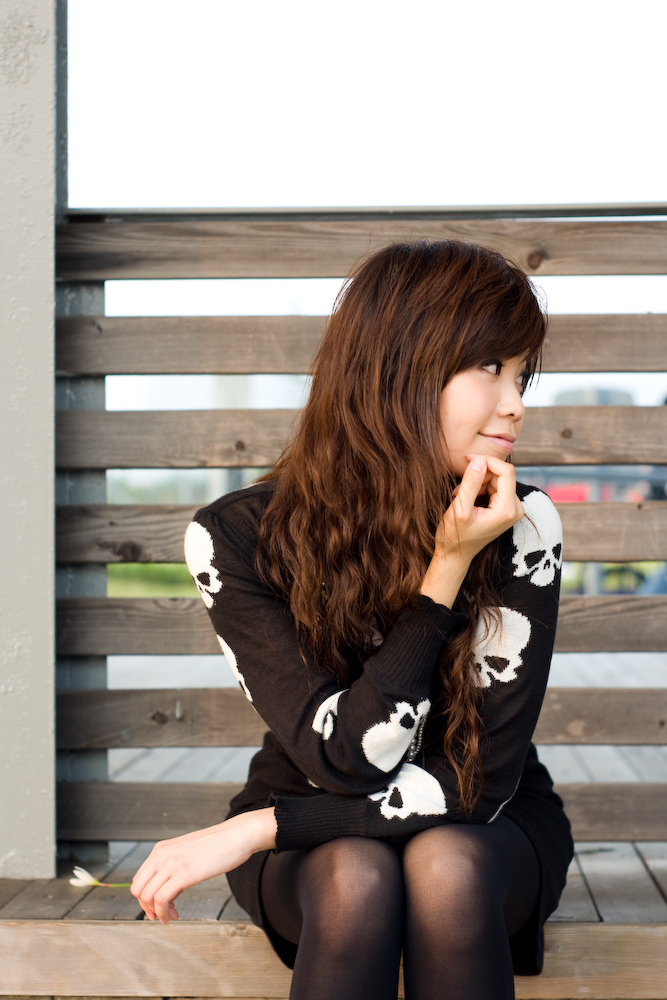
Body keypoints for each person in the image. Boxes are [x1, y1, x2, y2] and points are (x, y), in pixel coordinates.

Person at [131, 240, 574, 1000]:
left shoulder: (521, 523)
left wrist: (261, 827)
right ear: (400, 369)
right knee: (356, 878)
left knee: (445, 863)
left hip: (485, 825)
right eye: (489, 368)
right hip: (316, 811)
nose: (515, 405)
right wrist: (442, 578)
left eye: (521, 374)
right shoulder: (236, 537)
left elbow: (478, 784)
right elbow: (345, 758)